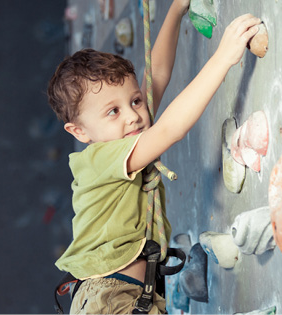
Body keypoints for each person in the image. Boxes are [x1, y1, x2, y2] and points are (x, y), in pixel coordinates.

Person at [47, 0, 262, 312]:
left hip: (129, 292)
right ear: (80, 132)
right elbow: (169, 130)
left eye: (134, 101)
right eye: (113, 111)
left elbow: (157, 74)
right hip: (107, 298)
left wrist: (175, 10)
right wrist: (223, 58)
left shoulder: (126, 135)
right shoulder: (101, 159)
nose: (133, 116)